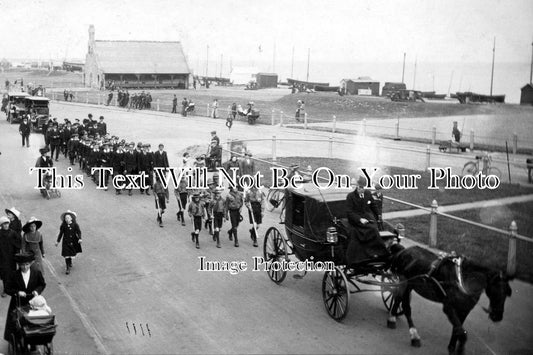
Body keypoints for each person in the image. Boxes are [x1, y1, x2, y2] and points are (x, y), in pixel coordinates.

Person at [3, 252, 46, 343]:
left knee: (33, 323)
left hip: (33, 303)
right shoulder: (14, 275)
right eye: (22, 265)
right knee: (16, 323)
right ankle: (17, 341)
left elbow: (42, 284)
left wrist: (37, 291)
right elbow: (7, 289)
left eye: (27, 264)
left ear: (30, 264)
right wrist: (17, 292)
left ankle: (33, 340)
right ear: (19, 265)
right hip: (17, 303)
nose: (25, 267)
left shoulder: (36, 273)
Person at [345, 176, 388, 265]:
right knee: (371, 230)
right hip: (356, 220)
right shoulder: (350, 196)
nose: (362, 190)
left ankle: (376, 253)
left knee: (374, 228)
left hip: (367, 218)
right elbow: (349, 212)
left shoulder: (368, 193)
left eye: (363, 188)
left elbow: (373, 205)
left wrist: (378, 215)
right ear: (357, 186)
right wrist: (360, 219)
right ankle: (370, 254)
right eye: (360, 187)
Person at [55, 210, 82, 275]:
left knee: (71, 253)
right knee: (66, 254)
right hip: (66, 242)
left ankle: (70, 262)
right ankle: (67, 267)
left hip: (73, 241)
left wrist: (80, 238)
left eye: (68, 218)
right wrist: (57, 241)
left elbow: (78, 232)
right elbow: (61, 233)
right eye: (65, 218)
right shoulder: (63, 225)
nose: (67, 219)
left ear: (71, 218)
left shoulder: (75, 224)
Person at [0, 216, 20, 297]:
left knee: (12, 273)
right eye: (4, 224)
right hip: (2, 258)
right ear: (1, 225)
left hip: (12, 257)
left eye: (7, 223)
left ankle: (12, 288)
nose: (6, 225)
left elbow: (17, 244)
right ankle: (6, 289)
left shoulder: (13, 233)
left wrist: (17, 254)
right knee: (4, 274)